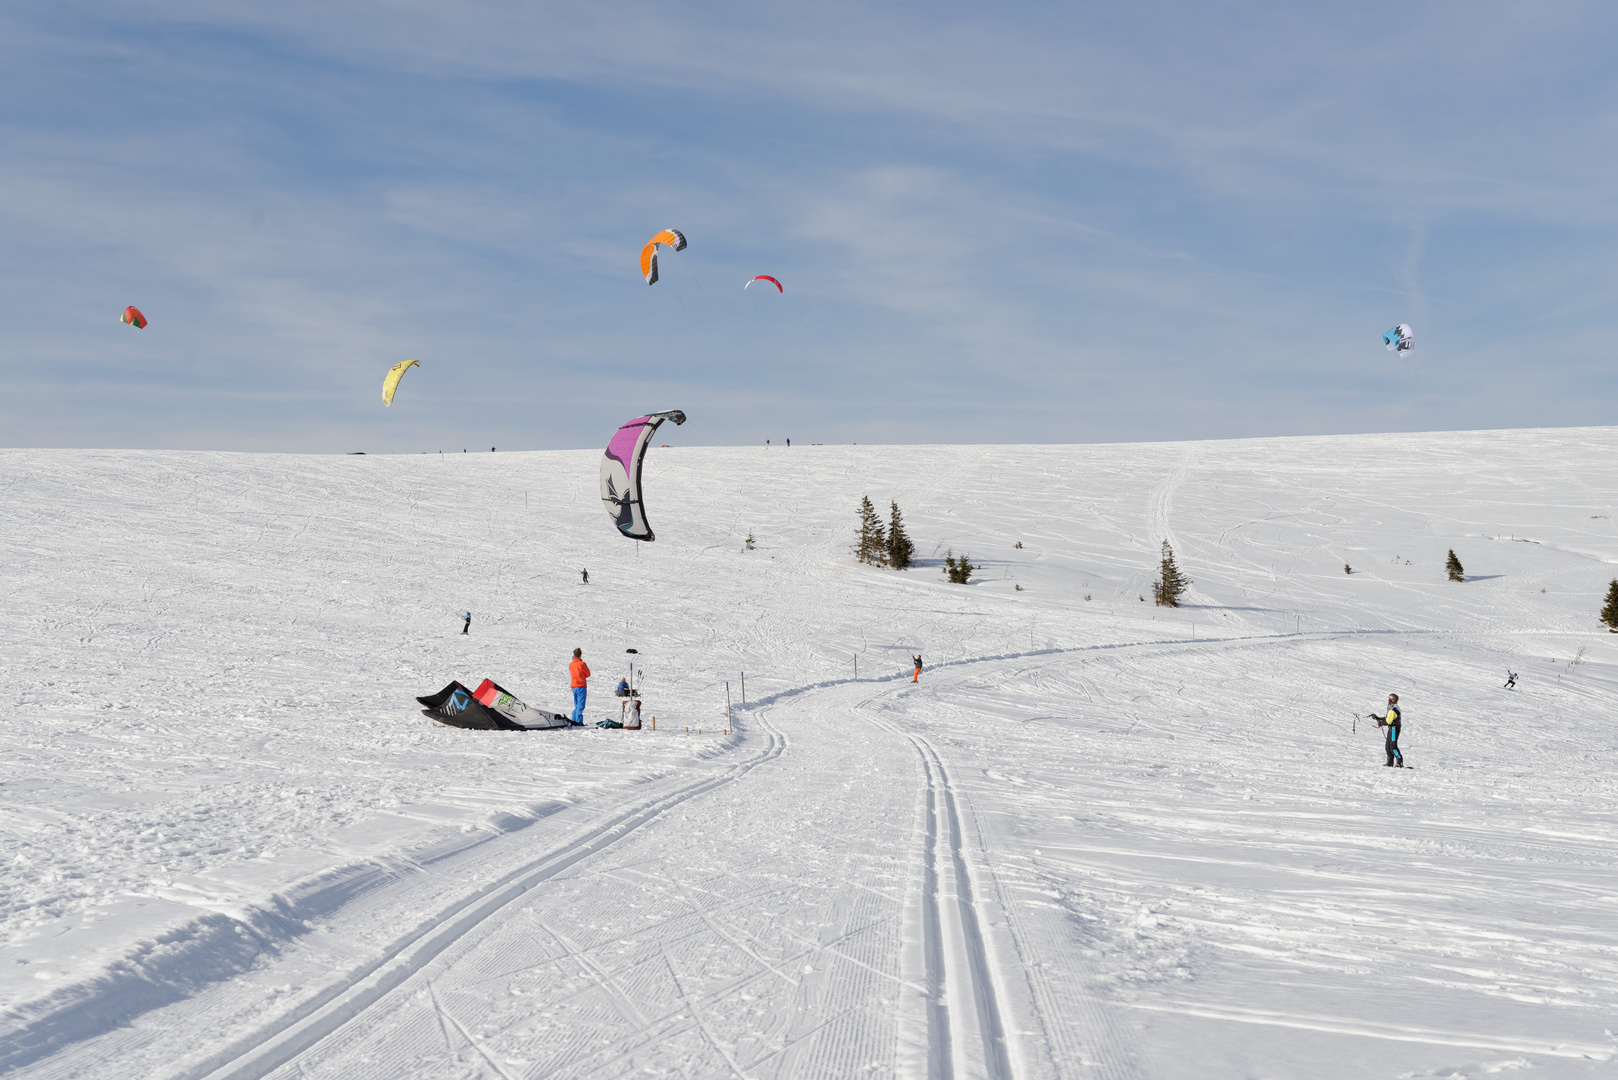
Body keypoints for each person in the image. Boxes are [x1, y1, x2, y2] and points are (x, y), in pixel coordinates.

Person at [1370, 693, 1403, 767]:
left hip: (1394, 729)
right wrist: (1378, 718)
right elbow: (1388, 719)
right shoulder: (1392, 708)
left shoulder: (1394, 709)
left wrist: (1381, 722)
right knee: (1387, 746)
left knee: (1393, 746)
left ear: (1391, 700)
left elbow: (1389, 721)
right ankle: (1390, 762)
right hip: (1392, 728)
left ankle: (1399, 762)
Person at [569, 648, 591, 725]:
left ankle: (574, 720)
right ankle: (578, 722)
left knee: (577, 705)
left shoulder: (571, 664)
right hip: (581, 685)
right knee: (580, 705)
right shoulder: (582, 664)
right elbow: (588, 674)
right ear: (580, 655)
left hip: (574, 686)